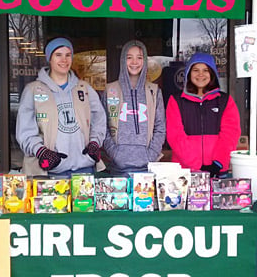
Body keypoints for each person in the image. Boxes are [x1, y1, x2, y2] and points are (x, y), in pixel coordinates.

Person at [16, 37, 106, 177]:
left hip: (84, 169)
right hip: (49, 172)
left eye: (68, 55)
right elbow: (25, 132)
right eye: (58, 55)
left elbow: (99, 119)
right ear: (49, 59)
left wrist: (95, 143)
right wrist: (41, 151)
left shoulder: (84, 88)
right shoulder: (33, 90)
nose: (64, 60)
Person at [166, 52, 241, 177]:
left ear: (212, 74)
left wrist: (218, 163)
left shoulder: (224, 100)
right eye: (195, 70)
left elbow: (230, 134)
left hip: (217, 171)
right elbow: (175, 136)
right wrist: (196, 166)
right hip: (184, 172)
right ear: (189, 73)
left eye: (205, 70)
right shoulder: (176, 100)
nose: (200, 74)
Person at [102, 40, 166, 174]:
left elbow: (160, 127)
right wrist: (114, 153)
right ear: (122, 60)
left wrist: (151, 154)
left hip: (147, 168)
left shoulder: (153, 91)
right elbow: (103, 126)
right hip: (117, 167)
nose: (134, 62)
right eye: (129, 57)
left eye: (139, 57)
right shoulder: (110, 90)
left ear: (145, 61)